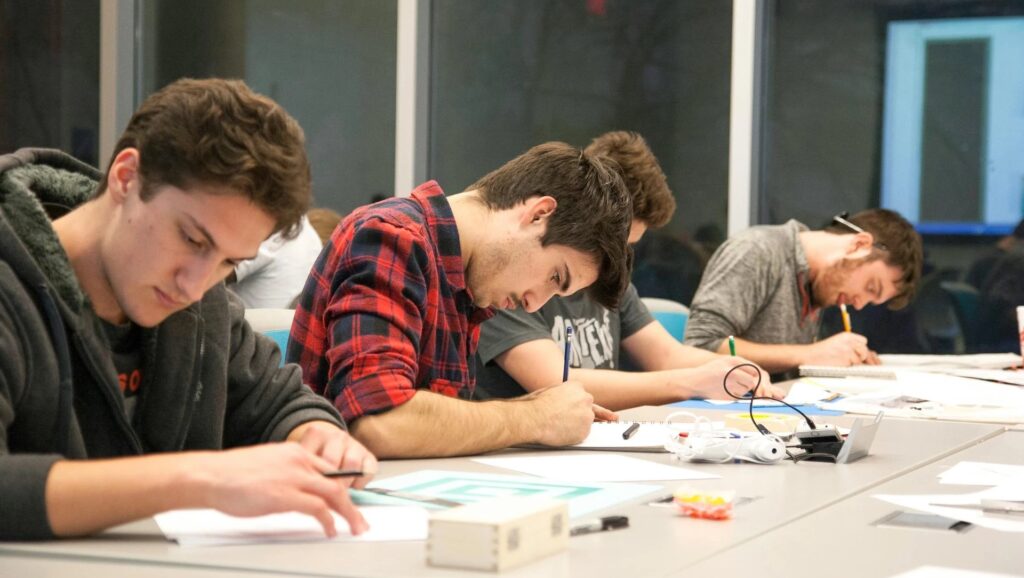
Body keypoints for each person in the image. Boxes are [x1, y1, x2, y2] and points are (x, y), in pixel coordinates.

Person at [0, 78, 375, 541]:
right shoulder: (9, 286)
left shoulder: (202, 306)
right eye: (193, 240)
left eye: (228, 262)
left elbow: (278, 402)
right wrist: (201, 480)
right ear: (125, 178)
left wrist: (317, 436)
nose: (196, 286)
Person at [288, 142, 633, 458]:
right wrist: (536, 417)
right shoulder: (392, 237)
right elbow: (379, 423)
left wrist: (543, 407)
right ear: (539, 214)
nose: (534, 304)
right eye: (555, 276)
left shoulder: (468, 280)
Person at [474, 131, 780, 410]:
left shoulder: (610, 284)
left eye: (627, 247)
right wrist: (693, 381)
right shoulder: (512, 282)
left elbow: (667, 356)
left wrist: (734, 370)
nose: (615, 260)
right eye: (611, 244)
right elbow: (555, 380)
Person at [684, 209, 923, 377]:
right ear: (859, 245)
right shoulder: (758, 251)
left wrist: (842, 358)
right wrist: (811, 354)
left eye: (872, 301)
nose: (859, 304)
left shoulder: (819, 285)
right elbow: (700, 346)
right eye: (871, 287)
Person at [228, 214, 323, 308]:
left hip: (251, 320)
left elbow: (216, 274)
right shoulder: (312, 237)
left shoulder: (277, 233)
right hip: (279, 320)